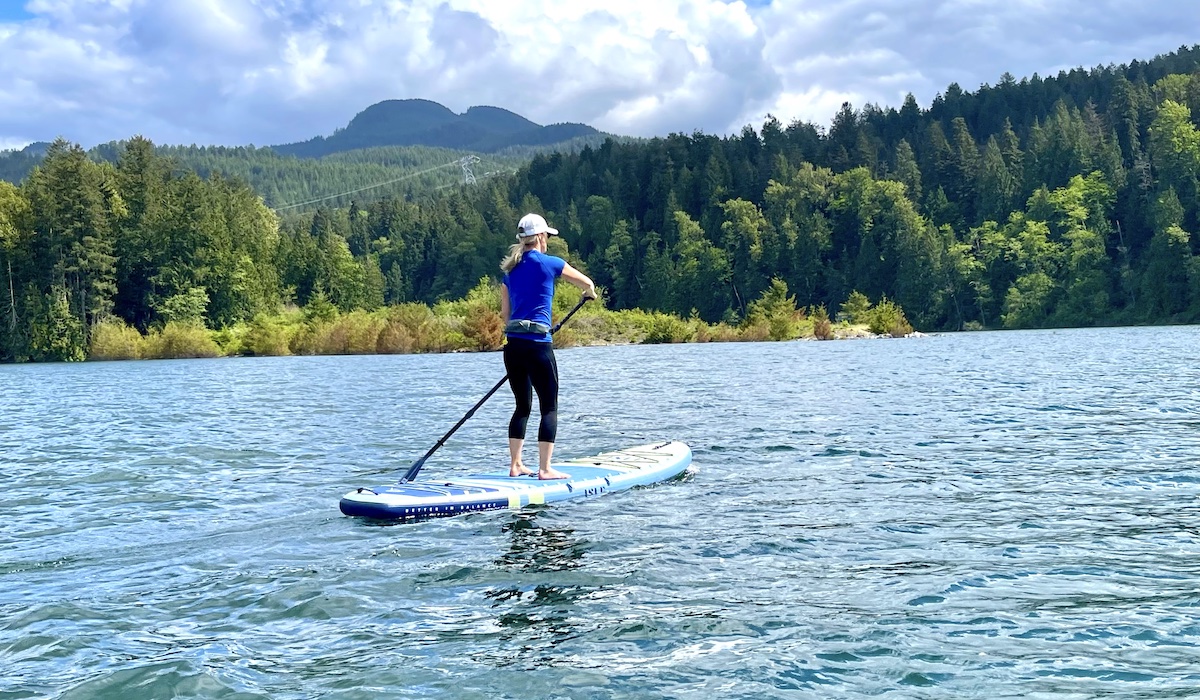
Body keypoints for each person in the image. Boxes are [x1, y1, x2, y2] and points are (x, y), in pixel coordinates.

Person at [500, 212, 596, 479]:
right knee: (549, 407)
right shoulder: (551, 263)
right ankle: (545, 469)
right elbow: (586, 282)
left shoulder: (509, 271)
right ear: (541, 237)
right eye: (547, 237)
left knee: (522, 406)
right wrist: (589, 293)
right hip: (538, 345)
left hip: (513, 347)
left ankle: (516, 465)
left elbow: (505, 316)